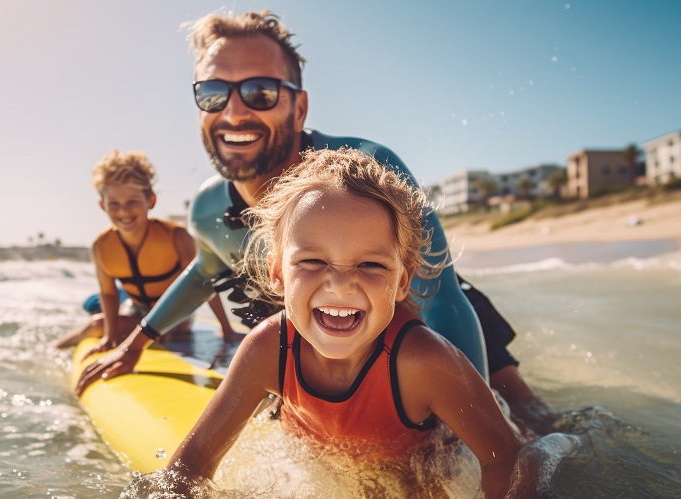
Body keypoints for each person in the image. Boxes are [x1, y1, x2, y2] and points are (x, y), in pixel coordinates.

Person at [75, 10, 553, 435]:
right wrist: (136, 344)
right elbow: (203, 274)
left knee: (527, 417)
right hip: (321, 327)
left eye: (260, 92)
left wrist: (458, 439)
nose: (235, 110)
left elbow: (438, 293)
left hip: (423, 311)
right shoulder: (206, 211)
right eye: (214, 92)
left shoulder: (369, 168)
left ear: (299, 107)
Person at [162, 148, 537, 498]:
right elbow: (191, 465)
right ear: (277, 271)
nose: (340, 285)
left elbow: (506, 458)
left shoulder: (422, 362)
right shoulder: (266, 349)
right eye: (312, 261)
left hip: (418, 474)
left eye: (371, 265)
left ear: (402, 281)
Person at [55, 149, 240, 349]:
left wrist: (226, 329)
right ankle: (53, 351)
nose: (123, 211)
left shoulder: (175, 237)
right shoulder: (102, 246)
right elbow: (109, 294)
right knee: (97, 324)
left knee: (164, 333)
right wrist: (110, 335)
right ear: (102, 205)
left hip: (175, 315)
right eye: (114, 204)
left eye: (132, 202)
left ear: (150, 201)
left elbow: (204, 281)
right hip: (135, 309)